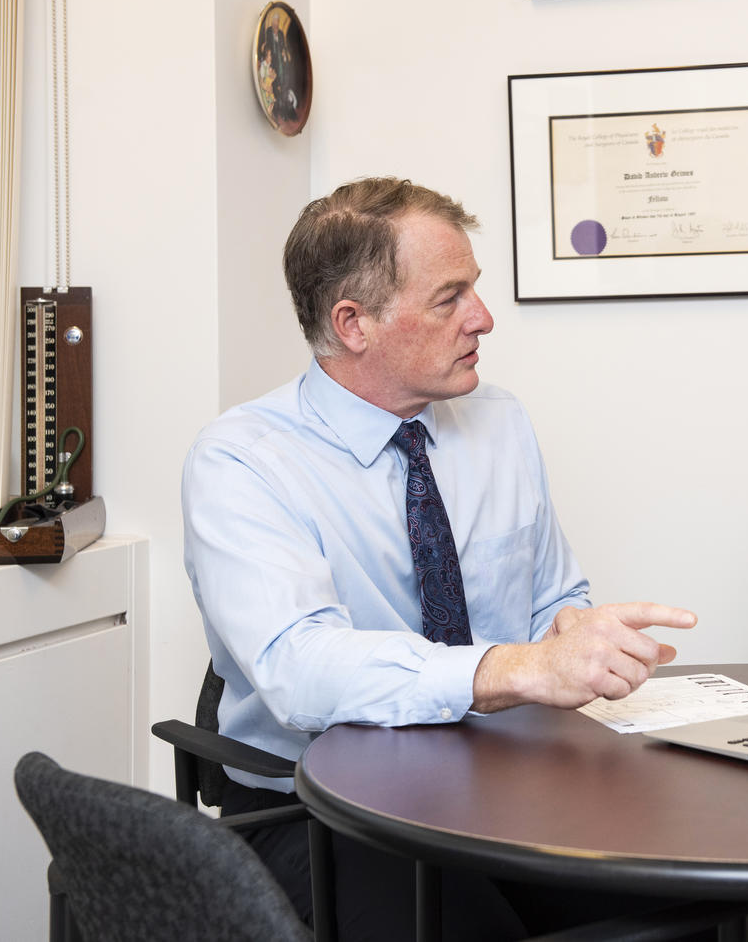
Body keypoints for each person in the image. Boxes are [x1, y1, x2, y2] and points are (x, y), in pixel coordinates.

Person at [182, 177, 695, 940]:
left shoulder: (499, 422)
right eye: (450, 298)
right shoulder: (243, 462)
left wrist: (579, 640)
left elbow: (553, 599)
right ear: (353, 323)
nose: (482, 319)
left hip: (503, 782)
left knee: (690, 906)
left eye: (474, 292)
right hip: (319, 807)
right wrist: (510, 670)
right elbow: (299, 669)